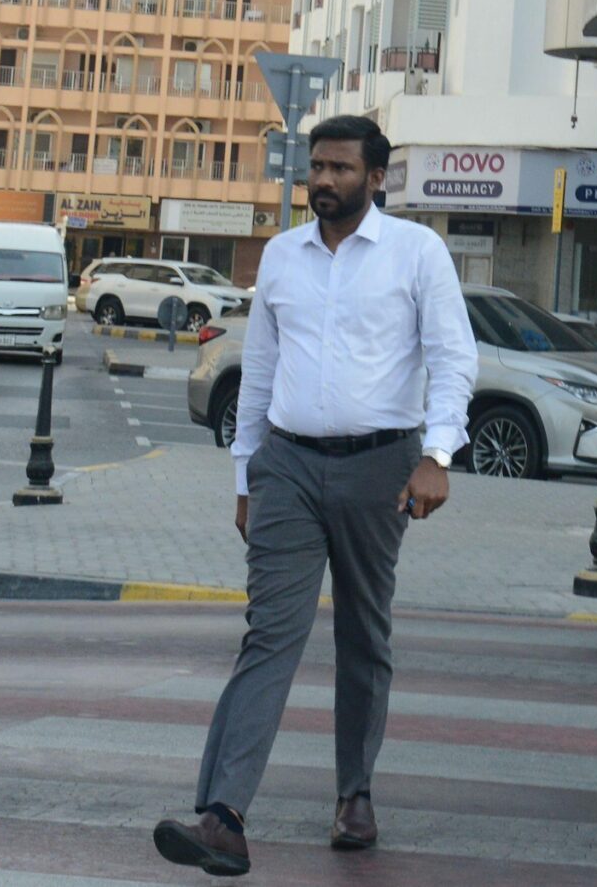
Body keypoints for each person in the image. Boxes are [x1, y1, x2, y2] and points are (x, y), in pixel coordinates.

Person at [152, 115, 478, 876]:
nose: (323, 180)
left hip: (380, 465)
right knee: (270, 633)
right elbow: (259, 371)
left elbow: (452, 357)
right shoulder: (282, 256)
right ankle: (223, 815)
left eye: (339, 167)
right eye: (316, 167)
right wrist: (245, 474)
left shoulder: (416, 252)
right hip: (288, 466)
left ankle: (354, 794)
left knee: (363, 634)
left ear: (377, 177)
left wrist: (437, 453)